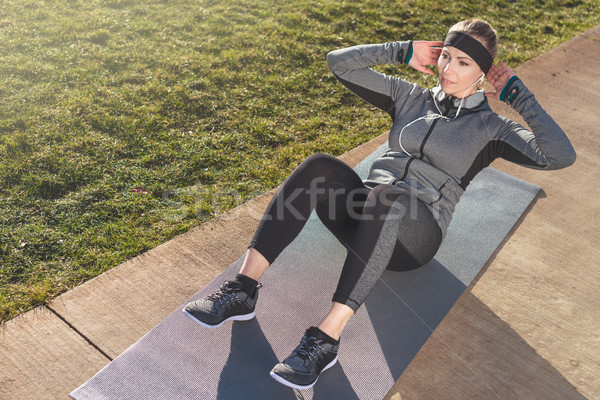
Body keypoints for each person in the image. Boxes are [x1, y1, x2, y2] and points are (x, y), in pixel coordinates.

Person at [182, 18, 576, 390]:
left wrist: (517, 95)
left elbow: (559, 156)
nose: (448, 69)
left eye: (463, 62)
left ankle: (325, 340)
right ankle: (242, 290)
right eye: (445, 56)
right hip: (364, 219)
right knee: (320, 166)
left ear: (484, 74)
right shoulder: (411, 97)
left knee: (388, 198)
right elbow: (338, 64)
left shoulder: (491, 129)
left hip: (415, 236)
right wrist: (403, 51)